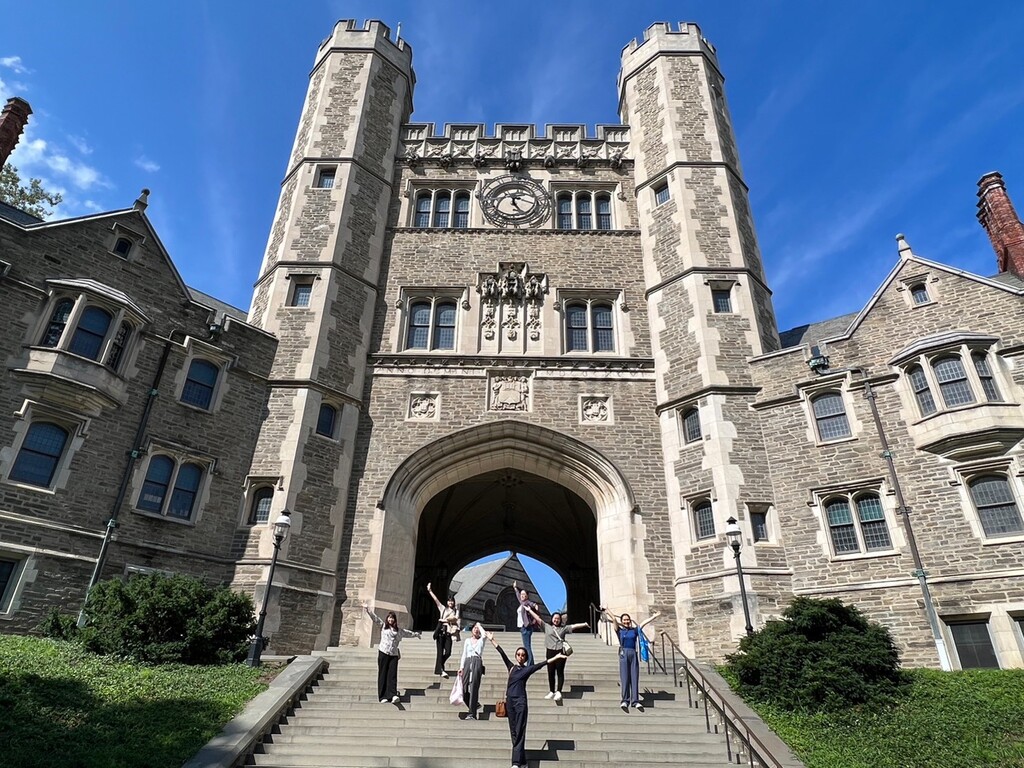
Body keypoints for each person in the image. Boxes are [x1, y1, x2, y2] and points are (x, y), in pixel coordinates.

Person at [488, 630, 567, 768]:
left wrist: (557, 657)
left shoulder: (527, 669)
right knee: (513, 731)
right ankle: (523, 761)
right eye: (518, 654)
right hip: (510, 703)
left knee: (519, 730)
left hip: (521, 702)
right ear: (516, 656)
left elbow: (542, 664)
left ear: (525, 658)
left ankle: (516, 763)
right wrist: (491, 639)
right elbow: (502, 654)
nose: (520, 657)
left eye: (523, 655)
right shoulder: (511, 668)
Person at [523, 603, 588, 702]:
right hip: (550, 651)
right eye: (555, 618)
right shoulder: (547, 627)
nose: (556, 620)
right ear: (552, 618)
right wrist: (529, 610)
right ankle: (551, 691)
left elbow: (574, 626)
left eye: (558, 618)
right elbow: (538, 618)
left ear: (560, 620)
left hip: (560, 651)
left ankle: (558, 691)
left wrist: (584, 624)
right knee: (550, 672)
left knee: (560, 672)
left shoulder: (563, 629)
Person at [601, 607, 660, 712]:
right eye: (624, 620)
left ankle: (635, 701)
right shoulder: (620, 631)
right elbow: (614, 619)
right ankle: (625, 700)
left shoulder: (634, 630)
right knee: (625, 678)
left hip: (633, 654)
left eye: (628, 619)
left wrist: (654, 617)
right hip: (624, 654)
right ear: (622, 621)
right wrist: (608, 611)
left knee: (634, 677)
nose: (626, 621)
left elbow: (643, 623)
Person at [363, 602, 420, 704]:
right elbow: (375, 619)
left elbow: (407, 633)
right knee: (383, 674)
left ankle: (393, 694)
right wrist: (368, 609)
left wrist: (416, 634)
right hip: (383, 652)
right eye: (389, 618)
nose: (390, 620)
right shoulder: (383, 626)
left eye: (392, 618)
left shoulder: (398, 631)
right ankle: (383, 696)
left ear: (395, 620)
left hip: (393, 654)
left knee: (392, 675)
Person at [426, 582, 460, 678]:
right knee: (440, 652)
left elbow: (455, 619)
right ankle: (441, 669)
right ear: (447, 602)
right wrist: (430, 590)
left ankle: (440, 665)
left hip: (449, 633)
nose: (450, 602)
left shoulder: (456, 611)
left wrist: (444, 620)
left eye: (452, 601)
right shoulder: (443, 609)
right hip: (441, 632)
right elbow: (436, 599)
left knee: (448, 652)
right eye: (449, 601)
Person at [458, 622, 487, 719]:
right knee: (464, 687)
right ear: (471, 630)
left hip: (477, 661)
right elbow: (464, 654)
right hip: (467, 661)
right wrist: (461, 667)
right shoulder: (467, 641)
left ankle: (472, 713)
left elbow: (484, 634)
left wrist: (479, 625)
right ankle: (475, 704)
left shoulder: (481, 640)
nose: (476, 629)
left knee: (474, 687)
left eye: (477, 628)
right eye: (474, 628)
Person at [512, 579, 541, 665]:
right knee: (527, 646)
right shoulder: (522, 603)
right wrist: (515, 588)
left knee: (527, 646)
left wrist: (535, 606)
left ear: (527, 596)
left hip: (526, 627)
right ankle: (530, 663)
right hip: (523, 627)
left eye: (524, 594)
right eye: (522, 594)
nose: (522, 595)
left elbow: (533, 604)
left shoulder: (527, 603)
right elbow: (517, 595)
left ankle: (530, 663)